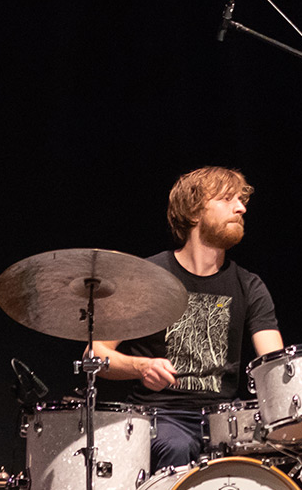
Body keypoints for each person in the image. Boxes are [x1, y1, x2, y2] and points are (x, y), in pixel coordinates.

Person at [91, 166, 283, 471]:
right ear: (194, 211)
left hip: (223, 419)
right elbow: (94, 353)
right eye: (227, 199)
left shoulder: (249, 286)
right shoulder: (147, 278)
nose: (241, 208)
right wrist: (141, 366)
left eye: (241, 200)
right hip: (160, 416)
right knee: (178, 447)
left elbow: (274, 362)